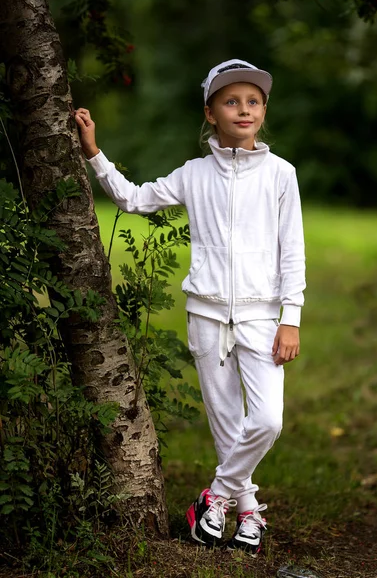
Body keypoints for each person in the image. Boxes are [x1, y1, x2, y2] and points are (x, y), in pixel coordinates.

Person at [75, 59, 306, 558]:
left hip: (262, 317)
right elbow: (134, 200)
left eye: (253, 101)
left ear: (264, 110)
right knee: (226, 424)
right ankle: (247, 515)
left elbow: (293, 251)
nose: (244, 109)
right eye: (231, 101)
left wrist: (291, 317)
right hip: (205, 316)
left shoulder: (281, 175)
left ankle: (215, 497)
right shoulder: (194, 175)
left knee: (267, 420)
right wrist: (94, 153)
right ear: (210, 112)